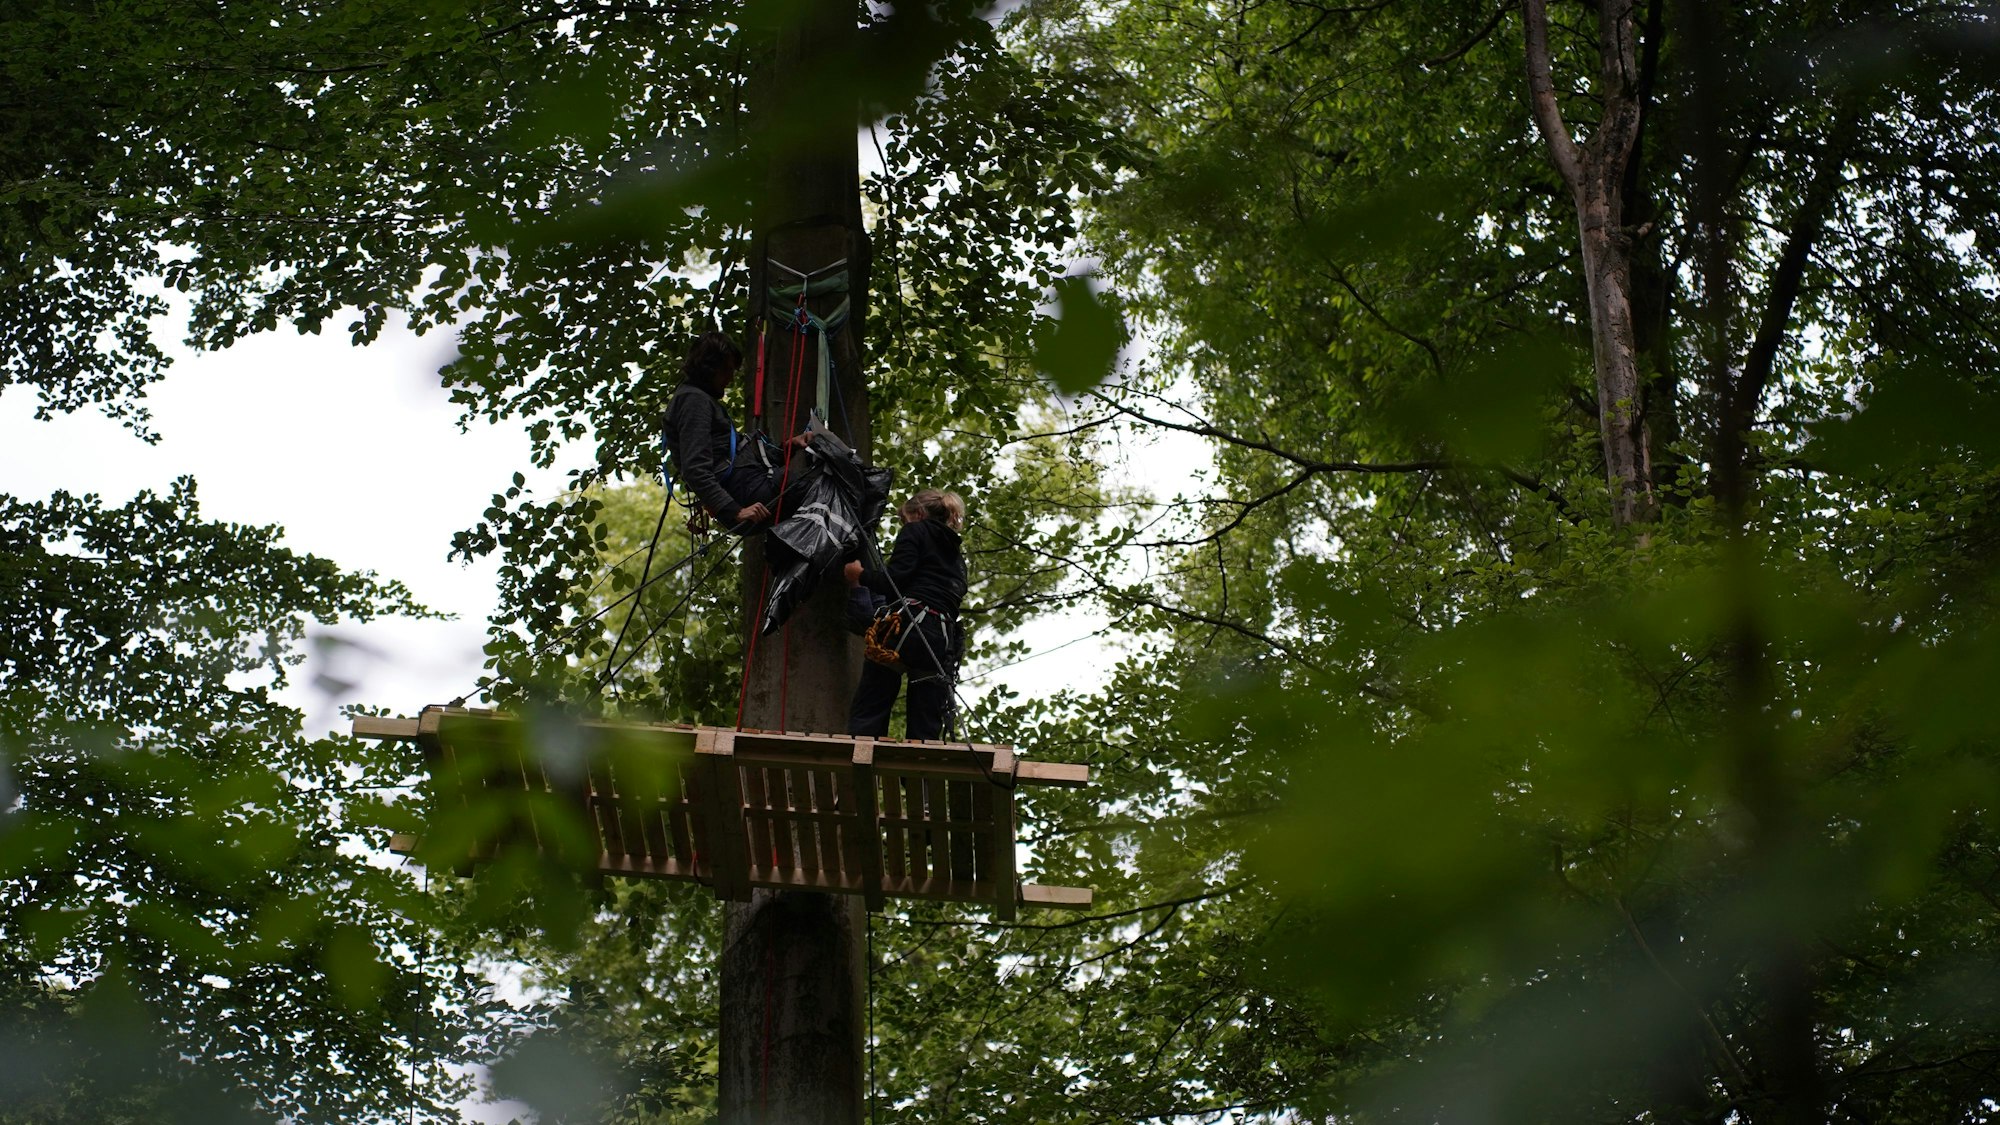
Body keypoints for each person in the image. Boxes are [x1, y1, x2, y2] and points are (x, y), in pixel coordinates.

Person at [845, 488, 967, 741]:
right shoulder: (957, 556)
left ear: (918, 513)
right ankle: (921, 763)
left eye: (904, 519)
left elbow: (894, 581)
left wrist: (859, 576)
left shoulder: (916, 530)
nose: (904, 524)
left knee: (872, 702)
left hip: (907, 626)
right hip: (941, 640)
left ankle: (863, 750)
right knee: (926, 720)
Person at [661, 331, 803, 531]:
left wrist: (787, 448)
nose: (731, 378)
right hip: (743, 495)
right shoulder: (693, 400)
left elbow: (734, 457)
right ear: (708, 368)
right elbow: (695, 469)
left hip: (748, 487)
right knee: (821, 483)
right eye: (727, 370)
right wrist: (735, 511)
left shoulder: (699, 399)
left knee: (819, 488)